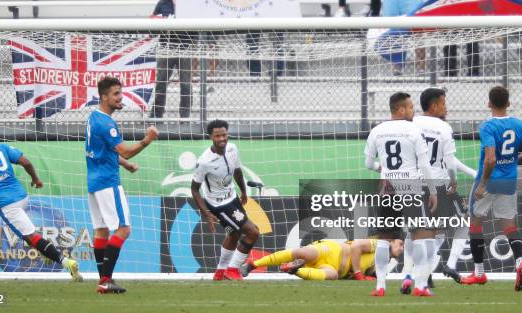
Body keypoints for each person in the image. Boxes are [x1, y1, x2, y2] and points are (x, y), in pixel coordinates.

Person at [0, 125, 82, 282]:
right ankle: (46, 254)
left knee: (31, 238)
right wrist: (36, 179)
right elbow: (26, 162)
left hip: (7, 204)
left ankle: (66, 262)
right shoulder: (0, 146)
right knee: (28, 236)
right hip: (22, 196)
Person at [86, 76, 159, 293]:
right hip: (108, 182)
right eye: (116, 94)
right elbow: (124, 149)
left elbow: (105, 152)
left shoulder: (93, 118)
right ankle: (105, 280)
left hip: (94, 182)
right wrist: (147, 139)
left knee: (101, 231)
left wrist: (125, 164)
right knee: (123, 229)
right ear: (104, 96)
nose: (120, 97)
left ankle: (103, 281)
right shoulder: (107, 123)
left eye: (121, 93)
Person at [364, 92, 438, 297]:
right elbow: (424, 164)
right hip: (411, 187)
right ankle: (421, 286)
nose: (414, 111)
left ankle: (380, 286)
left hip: (387, 188)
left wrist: (382, 168)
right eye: (411, 107)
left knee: (383, 239)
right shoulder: (414, 130)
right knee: (420, 237)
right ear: (401, 109)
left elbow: (368, 164)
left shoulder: (377, 131)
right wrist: (432, 190)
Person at [399, 88, 472, 293]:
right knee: (462, 221)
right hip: (437, 186)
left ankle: (410, 274)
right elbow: (449, 160)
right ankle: (447, 265)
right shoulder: (443, 128)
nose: (446, 107)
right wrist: (453, 181)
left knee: (417, 231)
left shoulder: (411, 123)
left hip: (411, 185)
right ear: (434, 106)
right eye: (443, 103)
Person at [461, 86, 522, 291]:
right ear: (509, 103)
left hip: (490, 180)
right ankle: (520, 261)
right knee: (509, 224)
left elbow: (490, 159)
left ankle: (479, 273)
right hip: (509, 181)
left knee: (475, 222)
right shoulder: (520, 125)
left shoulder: (487, 127)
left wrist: (483, 184)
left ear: (489, 103)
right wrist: (510, 162)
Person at [191, 119, 260, 280]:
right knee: (253, 232)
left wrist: (243, 191)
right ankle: (233, 269)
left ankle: (220, 271)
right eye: (217, 136)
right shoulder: (204, 161)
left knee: (234, 234)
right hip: (218, 205)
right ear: (210, 137)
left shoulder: (232, 148)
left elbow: (237, 170)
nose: (222, 139)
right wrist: (206, 213)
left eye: (224, 135)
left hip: (233, 198)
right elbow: (194, 189)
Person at [241, 239, 403, 280]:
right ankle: (252, 264)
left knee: (331, 276)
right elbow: (356, 246)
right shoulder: (381, 244)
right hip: (332, 251)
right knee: (302, 252)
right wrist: (359, 273)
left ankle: (295, 269)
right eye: (400, 244)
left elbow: (371, 277)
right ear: (391, 242)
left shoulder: (383, 261)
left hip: (334, 268)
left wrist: (364, 276)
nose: (401, 249)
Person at [149, 0, 193, 118]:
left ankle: (185, 116)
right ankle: (156, 115)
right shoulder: (162, 3)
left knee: (186, 84)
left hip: (185, 48)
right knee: (161, 83)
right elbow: (153, 25)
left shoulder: (191, 4)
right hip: (166, 48)